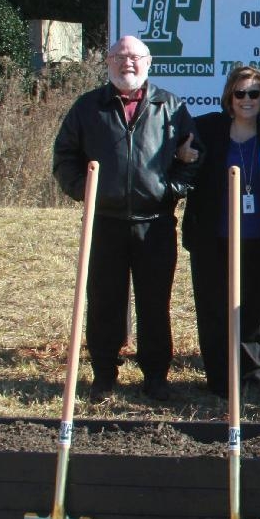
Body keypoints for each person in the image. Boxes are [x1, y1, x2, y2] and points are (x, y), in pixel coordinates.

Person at [52, 34, 199, 402]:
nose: (127, 63)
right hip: (105, 222)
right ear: (108, 62)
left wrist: (172, 189)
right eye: (119, 57)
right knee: (104, 300)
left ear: (149, 64)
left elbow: (194, 156)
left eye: (134, 58)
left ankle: (156, 377)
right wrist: (85, 191)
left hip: (156, 223)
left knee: (154, 302)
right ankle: (103, 375)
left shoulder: (171, 106)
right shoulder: (88, 108)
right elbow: (64, 157)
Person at [182, 66, 260, 396]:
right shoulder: (207, 127)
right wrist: (184, 157)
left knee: (253, 310)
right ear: (229, 97)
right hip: (213, 237)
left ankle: (251, 377)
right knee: (213, 309)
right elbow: (183, 163)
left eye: (254, 93)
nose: (247, 100)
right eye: (240, 93)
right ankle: (220, 381)